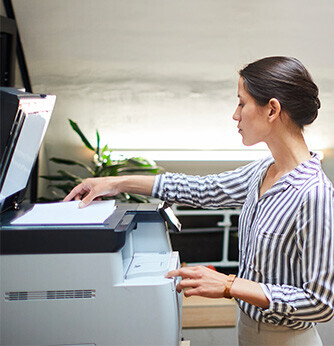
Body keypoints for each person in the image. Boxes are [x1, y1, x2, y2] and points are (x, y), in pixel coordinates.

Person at [64, 56, 334, 345]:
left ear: (272, 110)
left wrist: (229, 284)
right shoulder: (263, 170)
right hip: (246, 328)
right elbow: (201, 188)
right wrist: (116, 182)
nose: (235, 114)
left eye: (242, 103)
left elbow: (320, 302)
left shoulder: (314, 194)